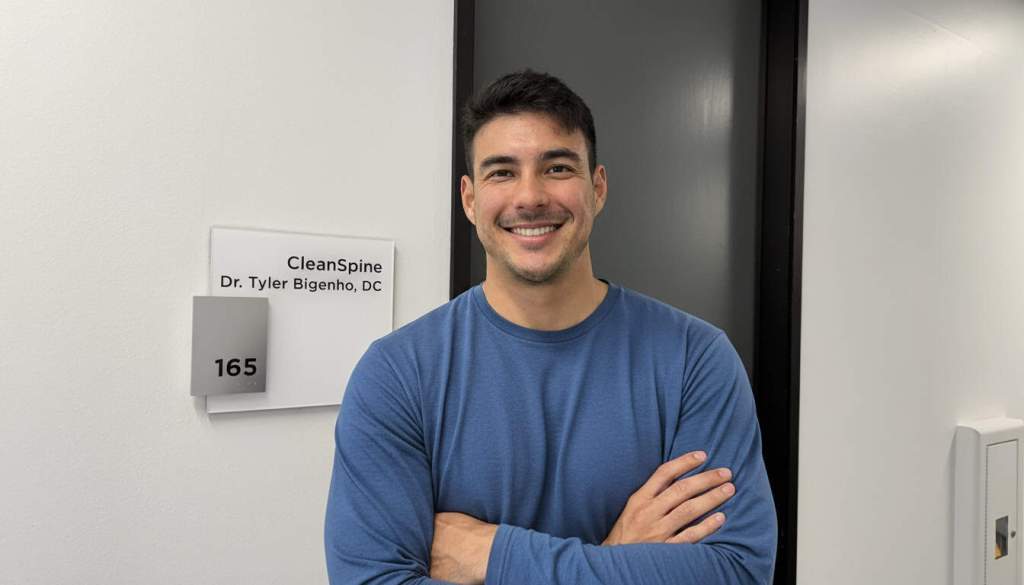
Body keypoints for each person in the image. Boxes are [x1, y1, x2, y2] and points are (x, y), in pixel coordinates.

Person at [325, 69, 777, 584]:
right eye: (501, 172)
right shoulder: (398, 374)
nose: (530, 197)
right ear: (470, 200)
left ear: (597, 187)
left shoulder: (694, 359)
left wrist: (494, 555)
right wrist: (616, 551)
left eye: (557, 167)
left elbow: (734, 572)